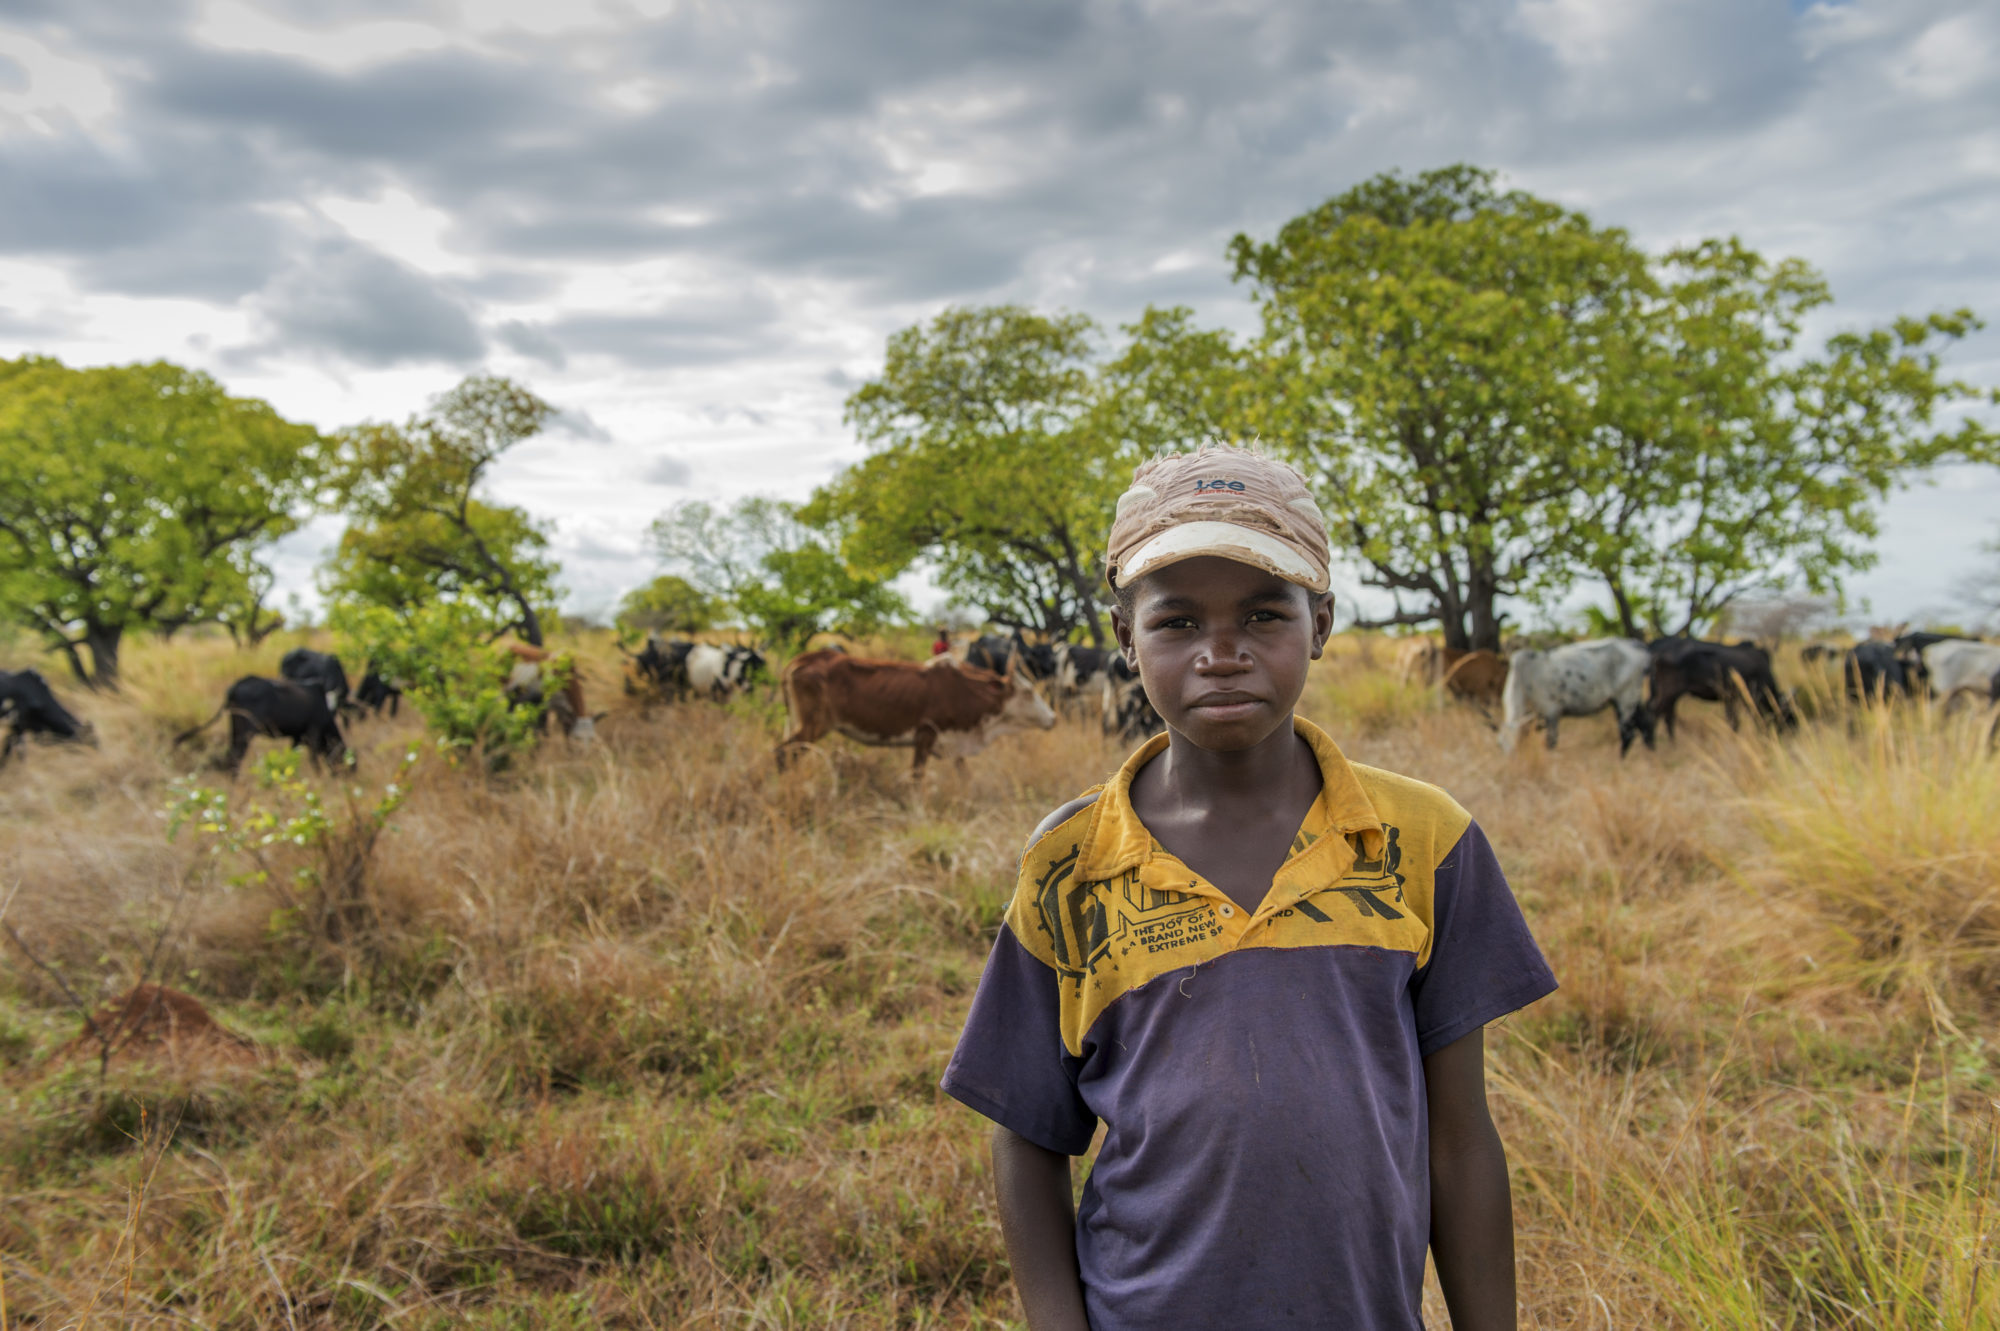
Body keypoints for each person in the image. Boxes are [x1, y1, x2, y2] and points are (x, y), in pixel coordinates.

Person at [941, 444, 1557, 1330]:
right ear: (1124, 637)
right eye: (1177, 621)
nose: (1221, 654)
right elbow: (1028, 1137)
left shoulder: (1423, 839)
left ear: (1322, 623)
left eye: (1265, 613)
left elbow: (1461, 1139)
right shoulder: (1071, 863)